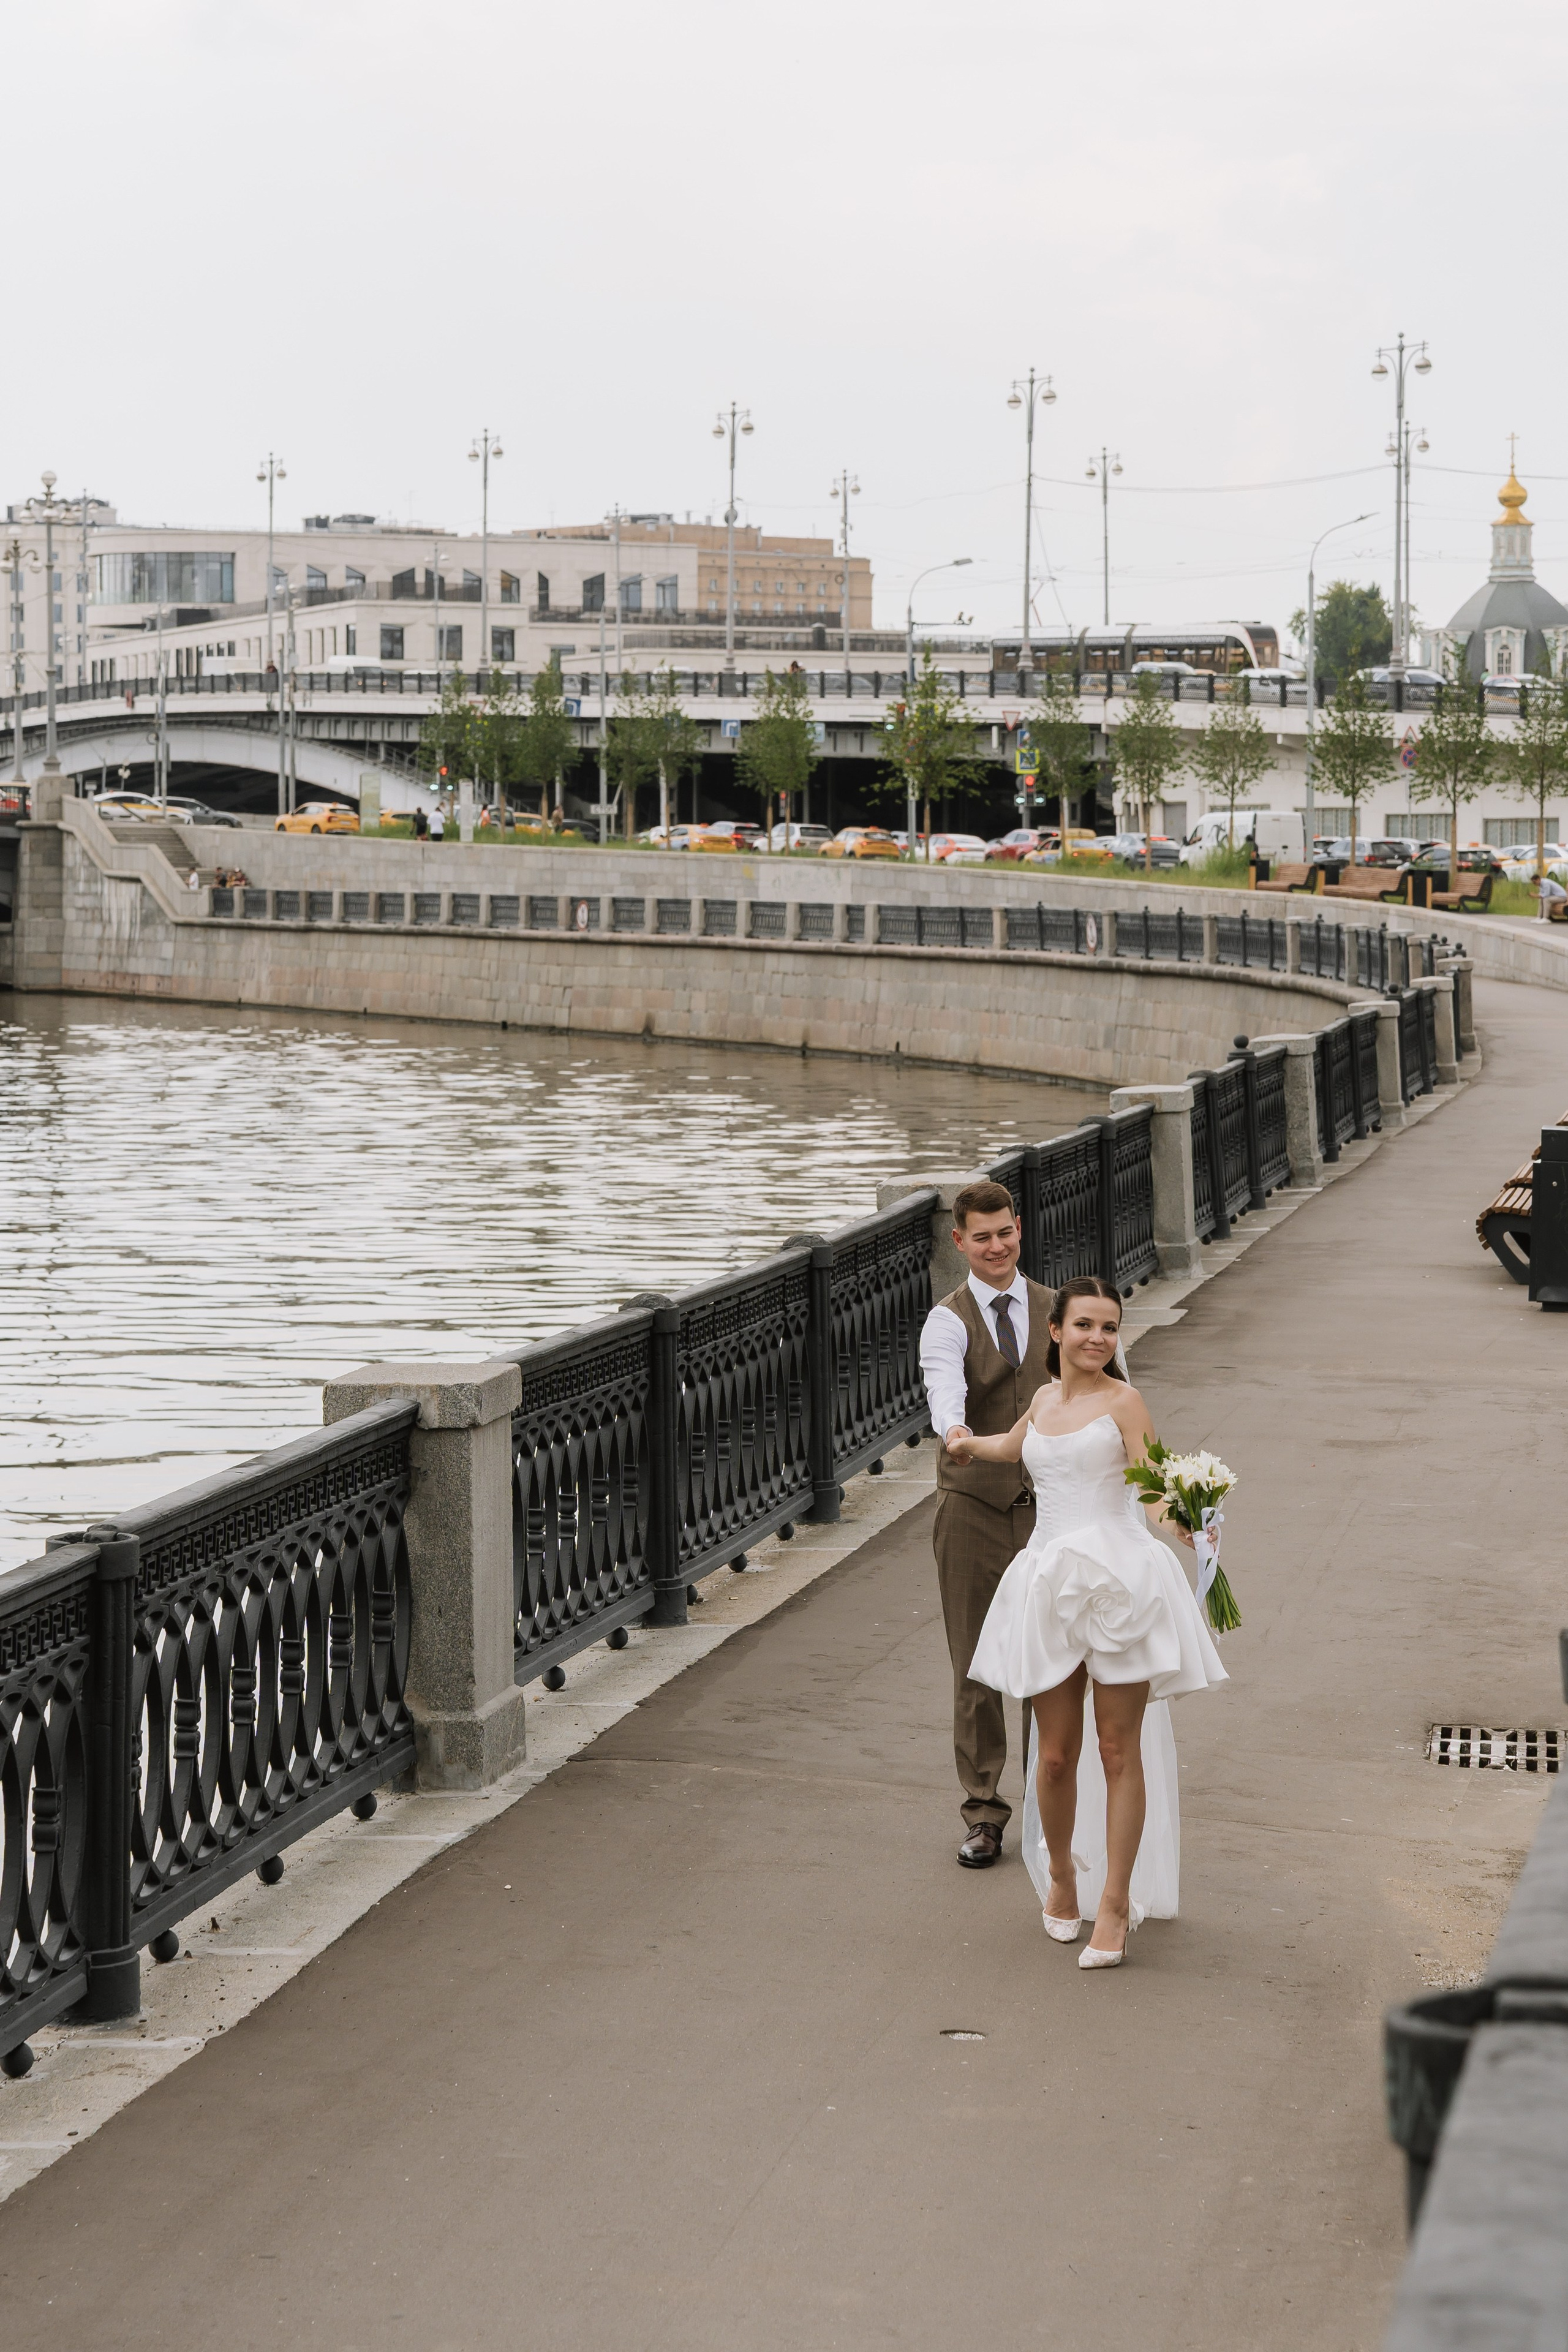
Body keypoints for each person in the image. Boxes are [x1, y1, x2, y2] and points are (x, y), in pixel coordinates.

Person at [959, 1278, 1227, 1967]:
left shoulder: (1125, 1402)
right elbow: (1012, 1448)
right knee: (1053, 1754)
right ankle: (1060, 1877)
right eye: (1084, 1325)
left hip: (1118, 1583)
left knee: (1117, 1749)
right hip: (1049, 1579)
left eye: (1109, 1328)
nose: (1097, 1339)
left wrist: (1194, 1533)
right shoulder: (1043, 1399)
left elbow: (1156, 1490)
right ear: (1056, 1331)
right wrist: (963, 1443)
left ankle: (1114, 1903)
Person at [919, 1180, 1059, 1869]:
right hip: (971, 1510)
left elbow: (1110, 1393)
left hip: (1052, 1514)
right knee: (976, 1669)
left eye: (1004, 1232)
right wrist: (955, 1428)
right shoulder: (946, 1321)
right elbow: (943, 1382)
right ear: (960, 1243)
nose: (996, 1246)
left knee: (1050, 1667)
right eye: (982, 1237)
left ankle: (1049, 1810)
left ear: (1019, 1228)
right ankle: (983, 1814)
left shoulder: (1062, 1312)